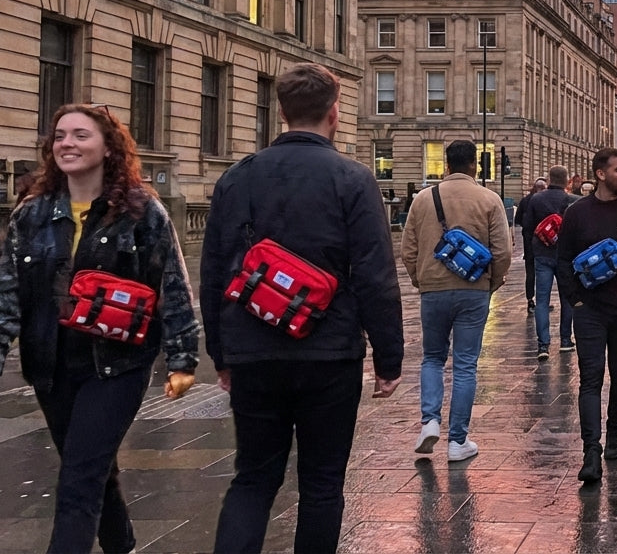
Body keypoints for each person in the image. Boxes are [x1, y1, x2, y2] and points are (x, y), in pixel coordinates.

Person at [199, 63, 405, 553]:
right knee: (321, 484)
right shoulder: (353, 180)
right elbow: (376, 276)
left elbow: (213, 274)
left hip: (253, 351)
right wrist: (388, 359)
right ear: (334, 114)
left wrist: (222, 354)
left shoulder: (237, 178)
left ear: (281, 112)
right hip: (328, 354)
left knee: (252, 479)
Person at [0, 104, 199, 554]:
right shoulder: (31, 214)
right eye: (60, 136)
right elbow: (7, 294)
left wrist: (182, 357)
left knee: (78, 480)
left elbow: (171, 283)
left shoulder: (141, 211)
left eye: (81, 135)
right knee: (91, 468)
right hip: (50, 363)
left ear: (109, 147)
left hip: (116, 365)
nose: (67, 143)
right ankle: (122, 546)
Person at [401, 140, 511, 461]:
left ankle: (429, 422)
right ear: (475, 165)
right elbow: (503, 251)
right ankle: (457, 441)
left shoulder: (423, 199)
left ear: (446, 165)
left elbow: (408, 249)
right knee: (465, 365)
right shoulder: (489, 199)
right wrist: (494, 281)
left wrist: (420, 278)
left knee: (432, 358)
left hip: (432, 289)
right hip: (474, 289)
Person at [555, 148, 617, 483]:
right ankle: (591, 451)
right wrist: (576, 302)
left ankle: (615, 434)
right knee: (591, 378)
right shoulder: (577, 212)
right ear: (600, 174)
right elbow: (563, 260)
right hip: (590, 310)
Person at [523, 166, 581, 357]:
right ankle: (565, 340)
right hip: (566, 257)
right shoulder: (573, 201)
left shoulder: (536, 199)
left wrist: (530, 253)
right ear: (567, 181)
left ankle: (543, 345)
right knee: (567, 298)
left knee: (542, 300)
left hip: (542, 254)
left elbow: (528, 228)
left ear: (549, 179)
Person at [513, 178, 548, 313]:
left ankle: (530, 300)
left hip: (529, 241)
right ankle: (542, 302)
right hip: (543, 242)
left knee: (530, 272)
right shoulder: (544, 201)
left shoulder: (526, 200)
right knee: (543, 272)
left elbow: (518, 220)